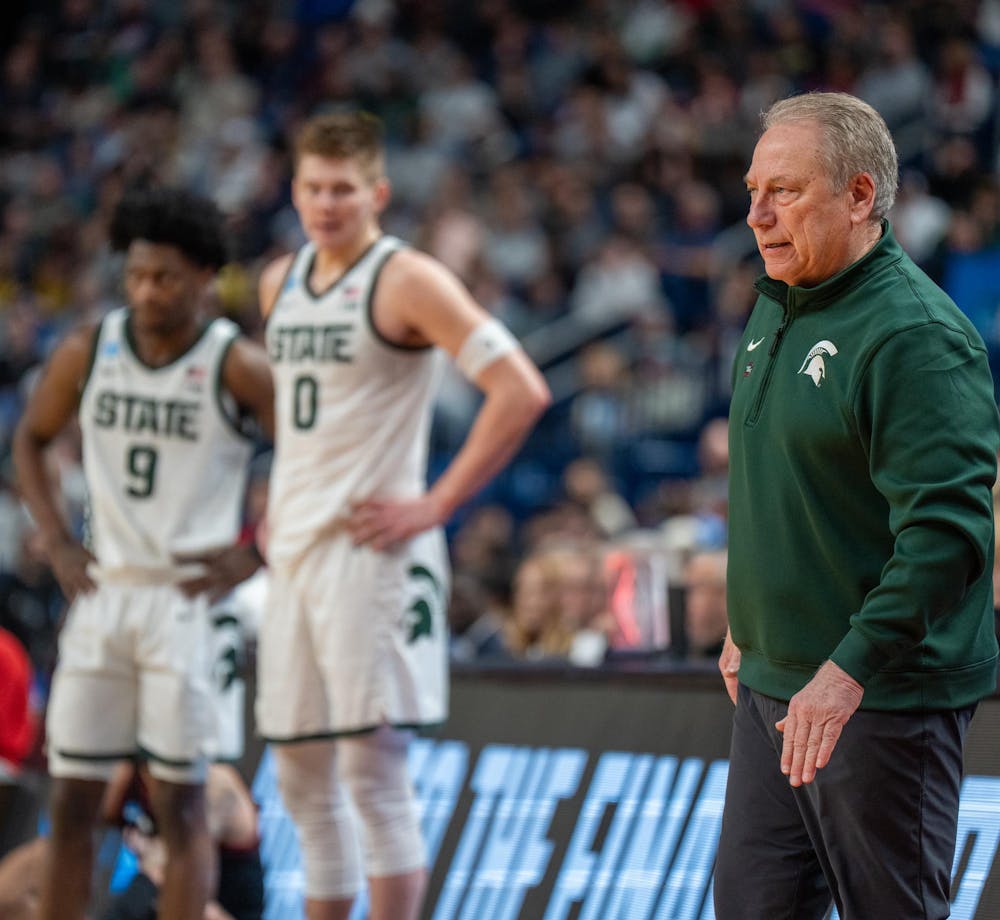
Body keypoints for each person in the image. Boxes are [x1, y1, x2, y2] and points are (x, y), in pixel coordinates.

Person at [256, 110, 550, 920]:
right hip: (296, 553)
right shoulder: (277, 281)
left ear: (377, 191)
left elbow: (521, 389)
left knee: (373, 781)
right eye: (313, 188)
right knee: (300, 779)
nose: (326, 204)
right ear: (294, 189)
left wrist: (438, 502)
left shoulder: (406, 278)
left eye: (343, 190)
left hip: (372, 555)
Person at [716, 91, 1000, 919]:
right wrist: (748, 621)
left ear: (861, 195)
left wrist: (846, 674)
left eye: (786, 191)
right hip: (772, 684)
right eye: (752, 191)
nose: (758, 215)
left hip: (878, 698)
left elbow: (949, 537)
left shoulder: (915, 336)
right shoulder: (778, 301)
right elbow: (784, 484)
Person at [12, 185, 275, 920]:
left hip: (183, 601)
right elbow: (29, 440)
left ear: (202, 277)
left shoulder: (235, 364)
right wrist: (61, 543)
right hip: (103, 592)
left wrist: (256, 554)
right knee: (71, 804)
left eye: (163, 277)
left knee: (181, 809)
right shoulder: (91, 349)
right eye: (135, 276)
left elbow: (312, 455)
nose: (146, 291)